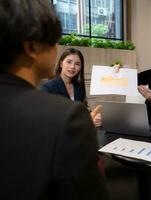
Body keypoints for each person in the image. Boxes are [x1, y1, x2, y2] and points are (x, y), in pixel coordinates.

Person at [0, 0, 108, 199]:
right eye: (55, 42)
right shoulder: (67, 118)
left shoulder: (77, 89)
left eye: (77, 64)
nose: (72, 67)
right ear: (32, 47)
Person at [41, 48, 102, 127]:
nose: (72, 67)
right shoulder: (48, 87)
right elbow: (47, 119)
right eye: (69, 62)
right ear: (61, 64)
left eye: (77, 64)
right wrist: (87, 123)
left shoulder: (79, 87)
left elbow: (83, 111)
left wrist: (93, 117)